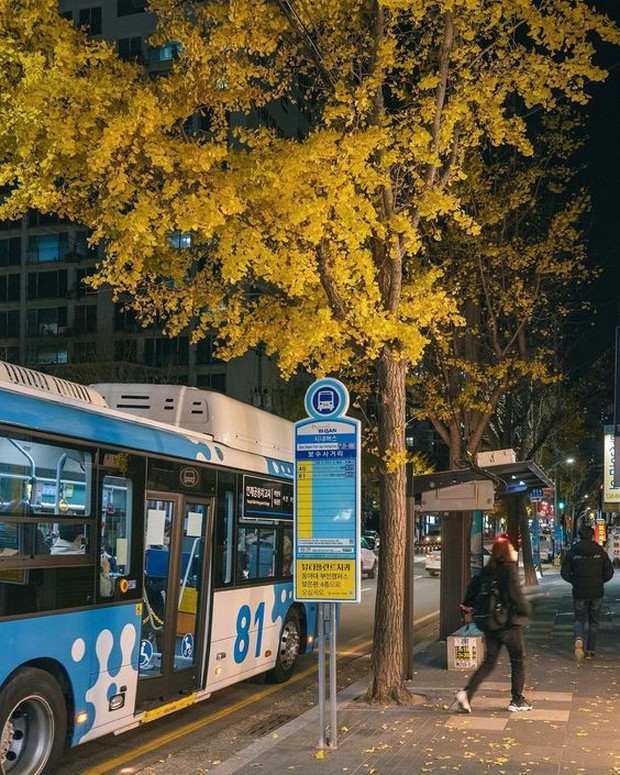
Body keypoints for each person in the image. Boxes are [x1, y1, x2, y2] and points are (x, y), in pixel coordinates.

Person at [455, 535, 532, 713]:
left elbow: (469, 598)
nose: (514, 551)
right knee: (518, 661)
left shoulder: (486, 572)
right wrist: (526, 610)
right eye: (512, 548)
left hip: (490, 624)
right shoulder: (509, 570)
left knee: (489, 662)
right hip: (509, 624)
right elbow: (516, 596)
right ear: (506, 553)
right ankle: (517, 700)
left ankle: (467, 693)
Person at [560, 522, 614, 661]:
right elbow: (609, 572)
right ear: (592, 536)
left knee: (579, 619)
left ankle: (578, 637)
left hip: (579, 592)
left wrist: (575, 581)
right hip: (596, 592)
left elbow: (564, 573)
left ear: (579, 536)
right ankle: (590, 651)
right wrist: (600, 581)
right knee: (594, 622)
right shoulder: (600, 552)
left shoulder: (573, 552)